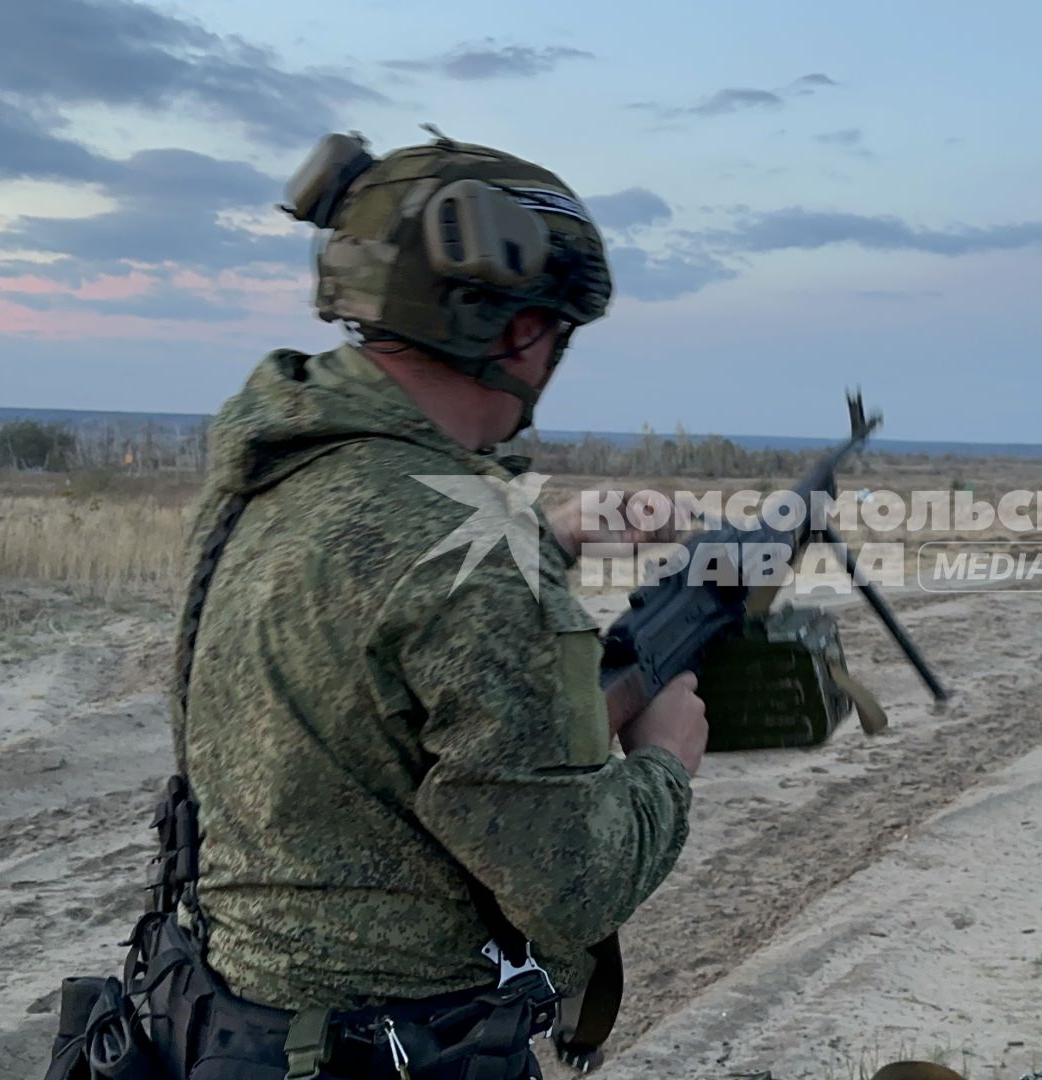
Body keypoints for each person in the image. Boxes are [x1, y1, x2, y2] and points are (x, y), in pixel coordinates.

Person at [82, 131, 707, 1080]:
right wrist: (664, 760)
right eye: (558, 334)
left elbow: (371, 606)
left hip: (214, 1022)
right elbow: (573, 886)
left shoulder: (276, 468)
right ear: (514, 331)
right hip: (382, 1050)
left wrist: (551, 533)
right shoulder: (464, 554)